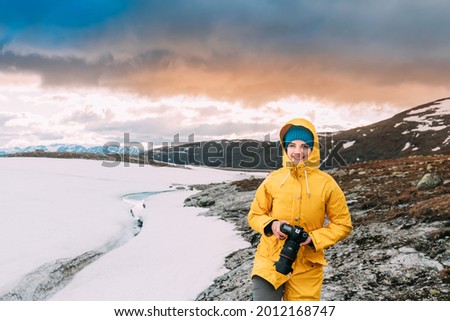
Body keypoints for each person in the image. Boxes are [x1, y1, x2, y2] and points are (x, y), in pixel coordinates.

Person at [248, 118, 352, 301]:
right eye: (292, 145)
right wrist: (272, 225)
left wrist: (314, 238)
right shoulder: (273, 180)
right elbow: (255, 215)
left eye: (305, 146)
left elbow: (343, 224)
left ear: (313, 149)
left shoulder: (327, 184)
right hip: (270, 259)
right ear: (285, 148)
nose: (298, 152)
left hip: (308, 265)